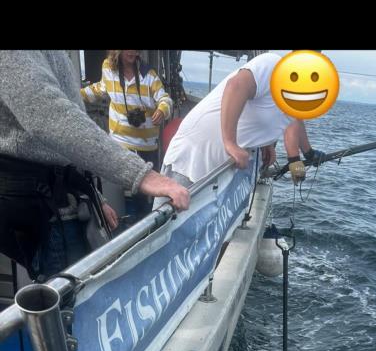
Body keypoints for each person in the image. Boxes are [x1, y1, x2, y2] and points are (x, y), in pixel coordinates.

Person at [0, 50, 190, 279]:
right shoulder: (108, 73)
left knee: (140, 206)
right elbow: (50, 115)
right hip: (44, 207)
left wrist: (96, 198)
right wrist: (143, 175)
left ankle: (143, 236)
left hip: (78, 189)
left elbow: (163, 98)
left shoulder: (148, 76)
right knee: (67, 297)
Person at [154, 51, 325, 202]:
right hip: (192, 161)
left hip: (220, 174)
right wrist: (230, 143)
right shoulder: (272, 64)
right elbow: (236, 86)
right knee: (165, 232)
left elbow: (294, 124)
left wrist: (307, 153)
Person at [81, 50, 173, 224]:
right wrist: (76, 95)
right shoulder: (108, 68)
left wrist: (162, 110)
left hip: (146, 146)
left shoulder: (149, 75)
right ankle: (120, 224)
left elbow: (165, 99)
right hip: (119, 142)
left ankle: (144, 225)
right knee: (118, 187)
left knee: (145, 193)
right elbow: (101, 89)